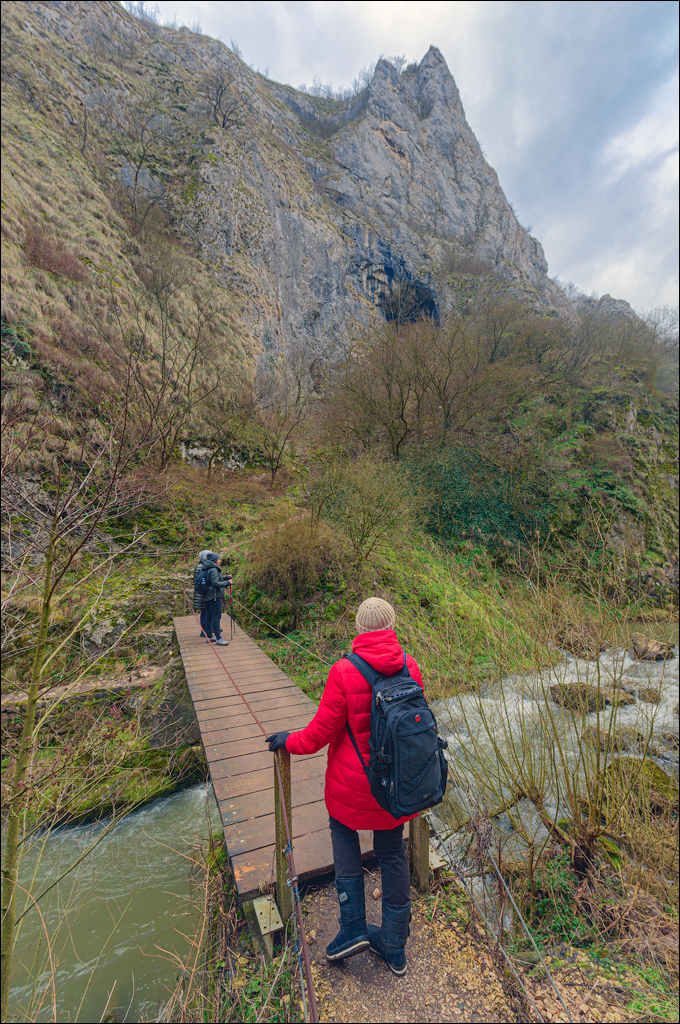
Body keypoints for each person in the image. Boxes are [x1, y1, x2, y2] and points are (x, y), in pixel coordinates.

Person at [265, 597, 420, 976]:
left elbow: (318, 735)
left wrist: (287, 741)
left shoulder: (344, 670)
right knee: (392, 853)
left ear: (359, 629)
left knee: (343, 833)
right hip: (394, 789)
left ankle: (352, 928)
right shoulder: (409, 666)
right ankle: (395, 947)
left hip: (352, 787)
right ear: (392, 624)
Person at [193, 551, 232, 646]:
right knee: (216, 616)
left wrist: (225, 577)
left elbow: (212, 579)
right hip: (214, 596)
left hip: (208, 596)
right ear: (214, 561)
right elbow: (215, 583)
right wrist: (228, 583)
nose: (219, 560)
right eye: (218, 559)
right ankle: (218, 638)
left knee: (209, 615)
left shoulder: (207, 567)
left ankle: (209, 636)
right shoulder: (213, 569)